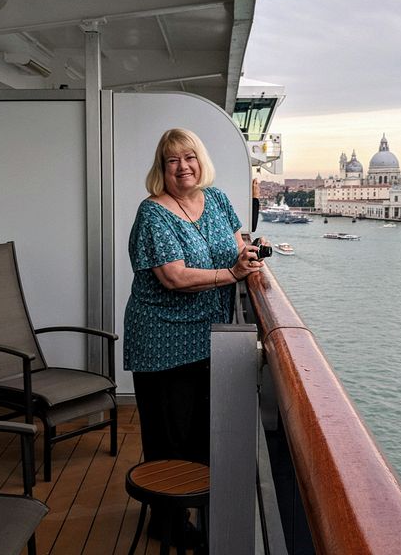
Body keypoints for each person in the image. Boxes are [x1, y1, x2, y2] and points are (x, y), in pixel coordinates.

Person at [123, 127, 265, 541]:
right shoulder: (152, 213)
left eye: (189, 157)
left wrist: (250, 254)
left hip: (208, 337)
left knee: (199, 431)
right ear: (161, 169)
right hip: (162, 339)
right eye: (172, 161)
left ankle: (188, 509)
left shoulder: (217, 199)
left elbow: (238, 246)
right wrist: (233, 274)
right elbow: (174, 277)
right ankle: (166, 525)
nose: (183, 167)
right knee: (170, 435)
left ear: (200, 161)